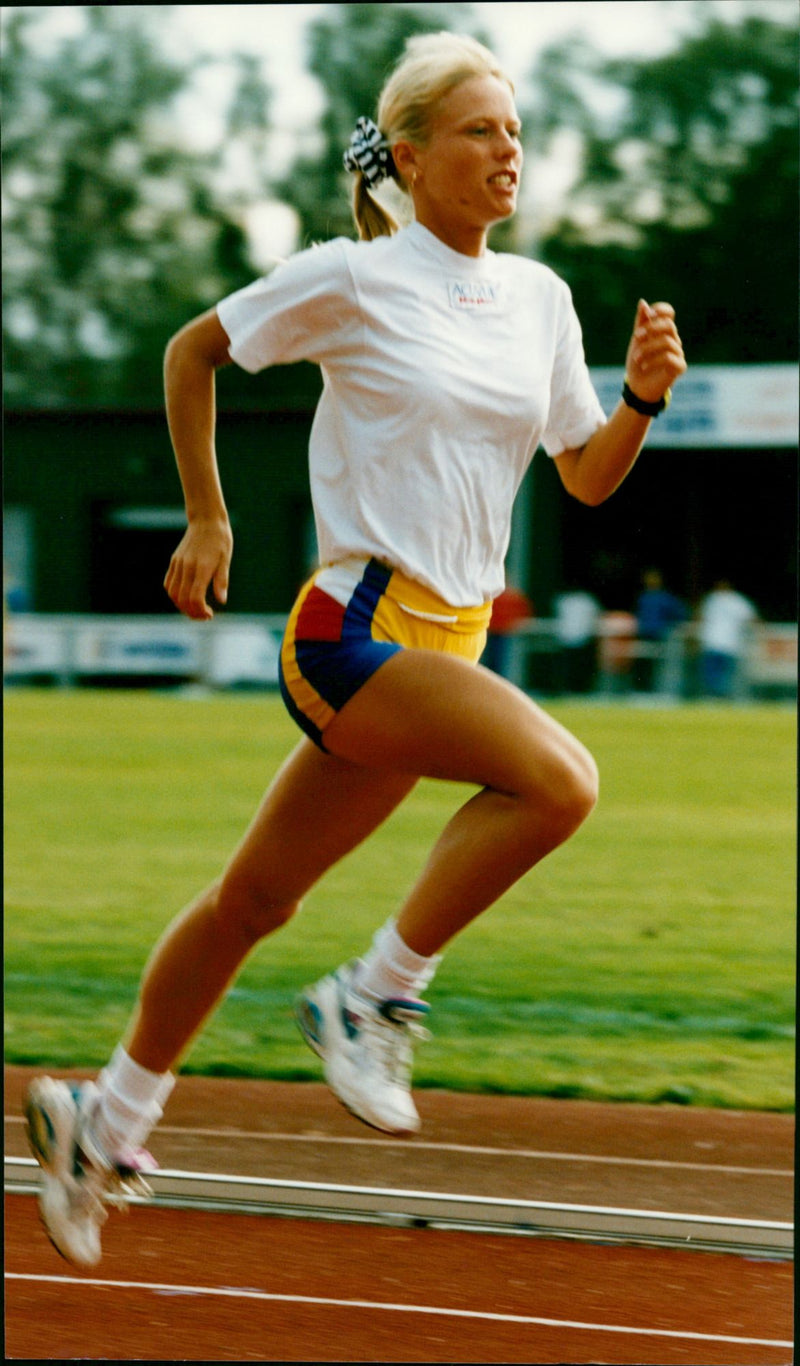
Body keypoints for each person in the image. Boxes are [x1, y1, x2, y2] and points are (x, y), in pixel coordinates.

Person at [24, 31, 686, 1267]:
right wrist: (210, 515)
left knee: (251, 901)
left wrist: (641, 396)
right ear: (414, 154)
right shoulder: (354, 277)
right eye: (482, 131)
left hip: (449, 647)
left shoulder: (540, 296)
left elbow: (585, 477)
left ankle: (102, 1120)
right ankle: (374, 992)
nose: (508, 153)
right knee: (558, 782)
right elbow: (192, 351)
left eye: (516, 132)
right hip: (353, 632)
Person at [697, 578, 757, 698]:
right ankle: (719, 696)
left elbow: (700, 617)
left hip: (716, 643)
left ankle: (716, 696)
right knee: (720, 674)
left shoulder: (713, 599)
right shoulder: (735, 600)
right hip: (726, 644)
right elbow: (752, 619)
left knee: (716, 674)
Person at [633, 568, 687, 692]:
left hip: (660, 635)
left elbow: (680, 614)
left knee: (659, 665)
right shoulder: (643, 596)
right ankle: (640, 691)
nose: (650, 581)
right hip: (643, 634)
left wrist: (669, 625)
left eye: (653, 578)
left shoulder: (665, 597)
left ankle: (657, 691)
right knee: (642, 663)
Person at [552, 584, 601, 694]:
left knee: (572, 667)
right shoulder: (586, 600)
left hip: (572, 638)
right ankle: (573, 690)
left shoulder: (564, 599)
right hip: (577, 638)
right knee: (573, 668)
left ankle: (572, 690)